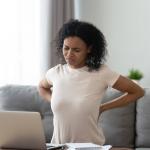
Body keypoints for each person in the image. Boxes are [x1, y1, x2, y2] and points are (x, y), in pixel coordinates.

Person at [38, 19, 144, 145]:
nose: (69, 54)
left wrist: (103, 108)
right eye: (66, 48)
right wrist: (53, 99)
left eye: (76, 50)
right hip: (58, 147)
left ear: (89, 49)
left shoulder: (102, 73)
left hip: (91, 147)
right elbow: (41, 87)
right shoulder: (55, 73)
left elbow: (138, 91)